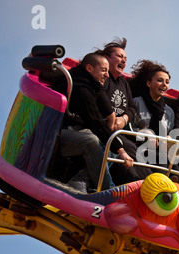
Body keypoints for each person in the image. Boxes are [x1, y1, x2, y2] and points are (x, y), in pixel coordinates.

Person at [57, 53, 134, 192]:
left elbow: (103, 106)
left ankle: (80, 179)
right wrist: (121, 150)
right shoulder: (81, 87)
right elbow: (95, 121)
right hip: (56, 135)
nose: (107, 75)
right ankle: (107, 191)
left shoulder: (92, 83)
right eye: (104, 70)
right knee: (94, 141)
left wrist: (111, 118)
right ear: (89, 68)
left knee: (112, 144)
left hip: (75, 131)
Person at [97, 38, 153, 183]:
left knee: (135, 150)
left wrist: (124, 119)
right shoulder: (101, 77)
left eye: (125, 59)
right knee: (127, 149)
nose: (123, 61)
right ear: (106, 58)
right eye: (119, 56)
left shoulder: (123, 82)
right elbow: (98, 97)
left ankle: (149, 184)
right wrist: (111, 117)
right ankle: (140, 185)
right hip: (102, 128)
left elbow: (132, 107)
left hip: (119, 130)